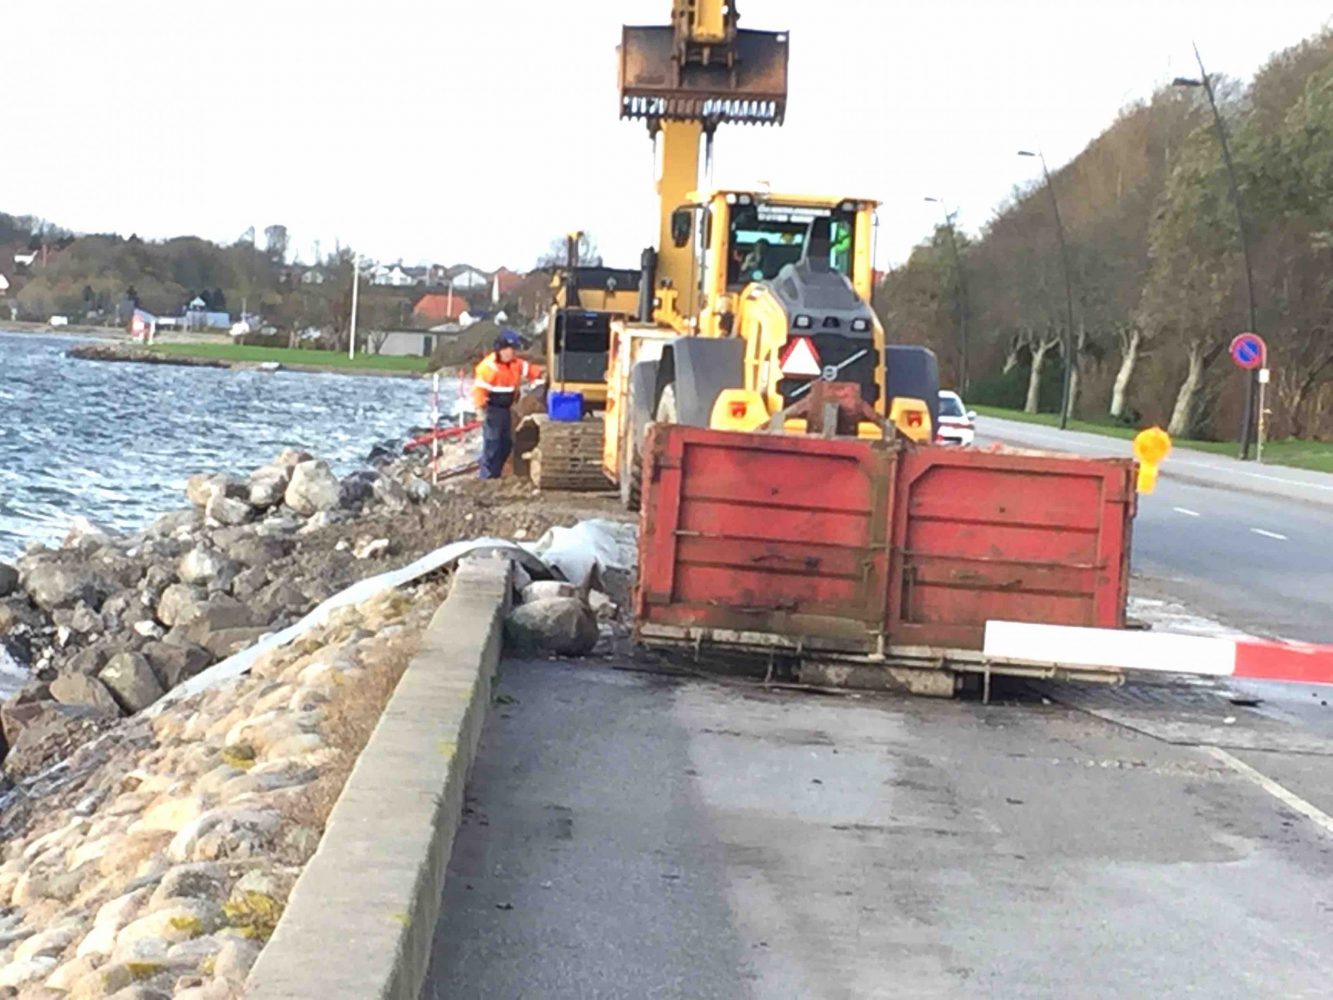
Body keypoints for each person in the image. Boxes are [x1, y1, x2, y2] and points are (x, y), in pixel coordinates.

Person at [472, 329, 544, 479]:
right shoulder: (488, 367)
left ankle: (495, 474)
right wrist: (479, 410)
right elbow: (479, 390)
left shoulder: (516, 364)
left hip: (506, 409)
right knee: (492, 444)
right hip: (492, 409)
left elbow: (533, 372)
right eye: (507, 350)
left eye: (512, 350)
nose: (510, 353)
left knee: (506, 444)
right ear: (499, 349)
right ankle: (486, 477)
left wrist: (539, 380)